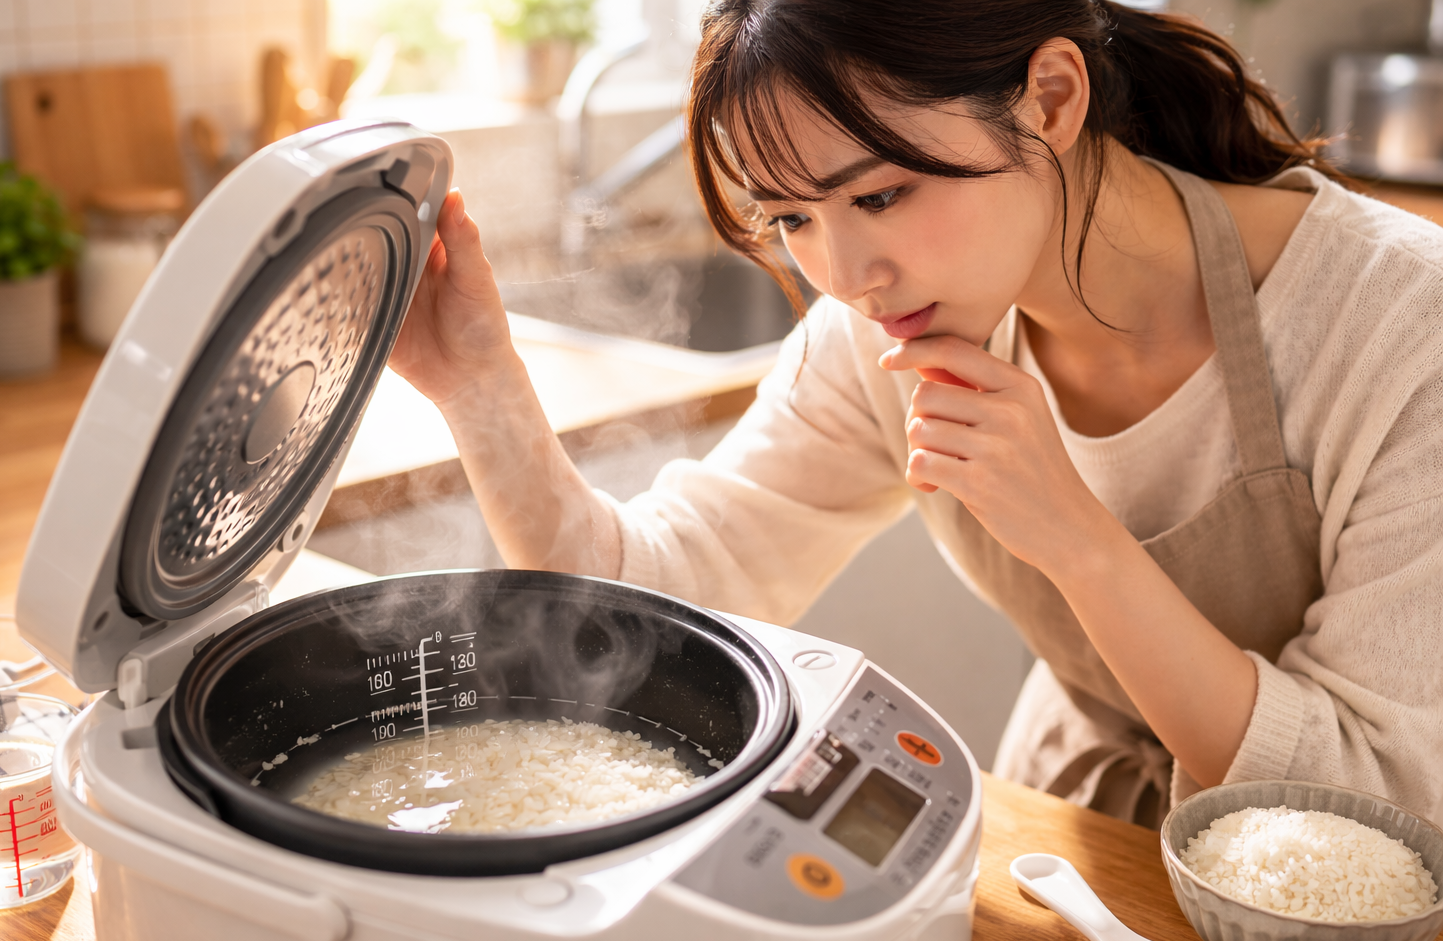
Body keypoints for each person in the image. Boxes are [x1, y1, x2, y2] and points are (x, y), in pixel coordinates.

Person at [388, 0, 1443, 828]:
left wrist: (1080, 544)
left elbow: (1376, 791)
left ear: (1051, 99)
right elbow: (641, 611)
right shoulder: (880, 336)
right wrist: (479, 386)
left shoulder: (1400, 324)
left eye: (881, 196)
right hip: (1075, 844)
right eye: (792, 218)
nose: (846, 275)